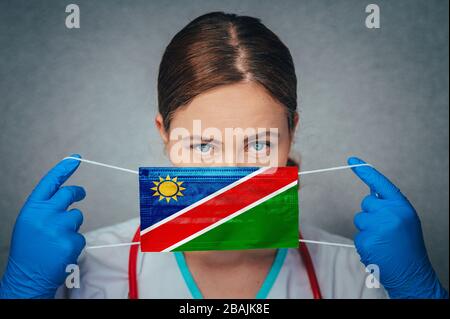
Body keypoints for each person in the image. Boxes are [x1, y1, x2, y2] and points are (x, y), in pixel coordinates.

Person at [0, 12, 447, 299]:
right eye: (202, 144)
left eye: (258, 143)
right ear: (165, 135)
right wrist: (22, 293)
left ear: (292, 132)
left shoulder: (356, 274)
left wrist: (418, 292)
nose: (231, 171)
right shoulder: (85, 269)